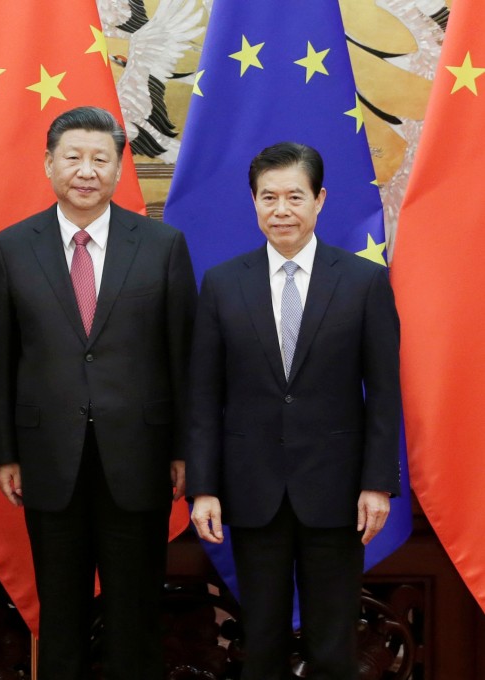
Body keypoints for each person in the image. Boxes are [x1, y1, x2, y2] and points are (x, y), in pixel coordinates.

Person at [0, 106, 197, 679]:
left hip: (140, 458)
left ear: (120, 169)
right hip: (48, 459)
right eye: (73, 157)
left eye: (101, 158)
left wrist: (183, 451)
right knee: (61, 618)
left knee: (136, 616)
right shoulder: (12, 247)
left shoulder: (162, 245)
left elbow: (184, 360)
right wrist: (3, 451)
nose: (86, 170)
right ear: (49, 163)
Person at [188, 141, 401, 680]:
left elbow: (383, 391)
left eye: (294, 196)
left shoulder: (362, 282)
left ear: (320, 200)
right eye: (268, 197)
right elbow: (205, 395)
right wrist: (205, 487)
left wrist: (377, 482)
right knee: (260, 645)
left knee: (333, 647)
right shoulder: (222, 284)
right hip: (252, 490)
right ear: (253, 203)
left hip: (336, 492)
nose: (281, 210)